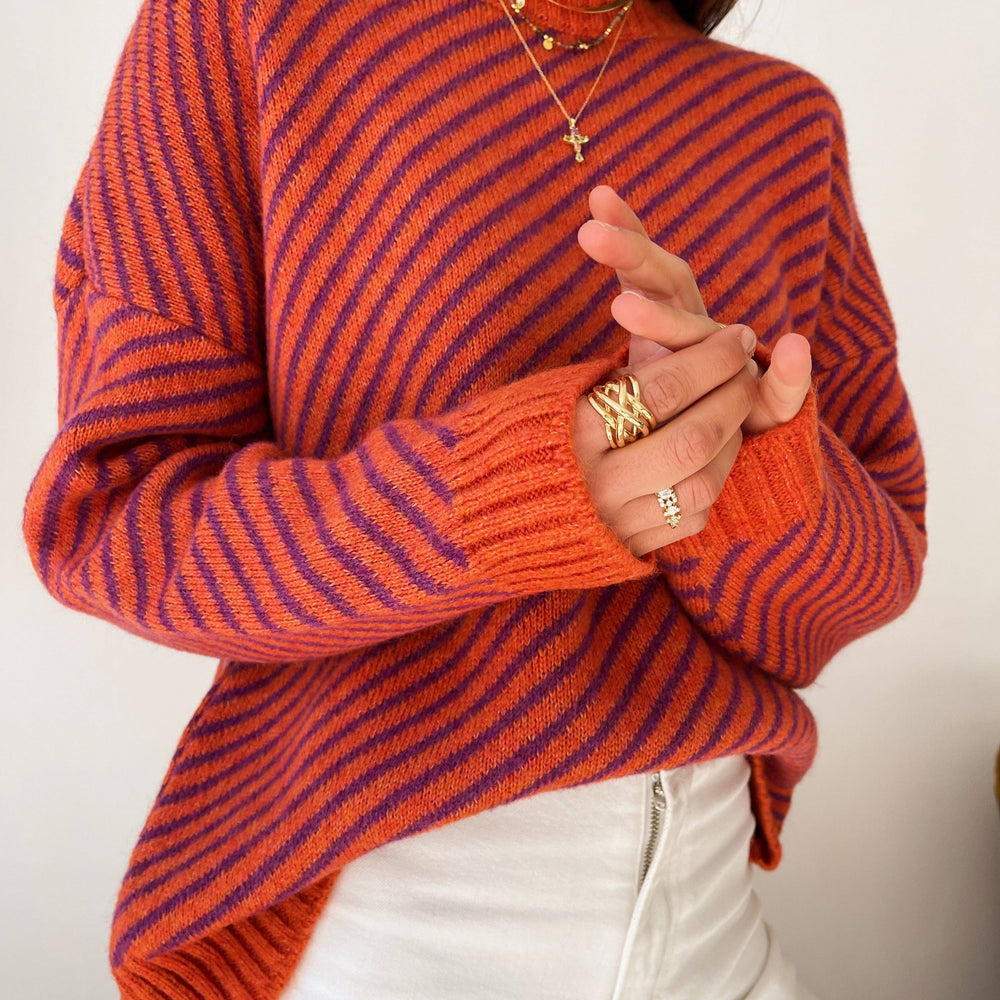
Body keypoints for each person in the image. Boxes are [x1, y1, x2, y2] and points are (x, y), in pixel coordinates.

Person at [20, 0, 927, 997]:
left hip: (717, 938)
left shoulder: (782, 124)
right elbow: (117, 515)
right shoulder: (249, 22)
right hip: (399, 932)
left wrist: (739, 467)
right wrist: (509, 498)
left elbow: (876, 572)